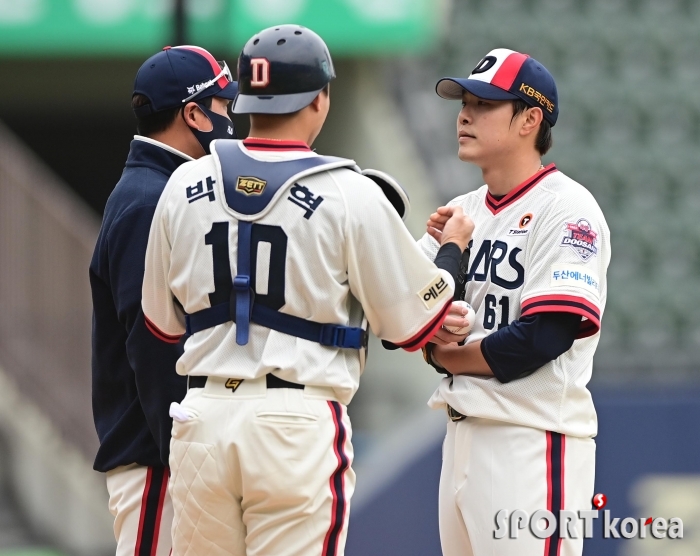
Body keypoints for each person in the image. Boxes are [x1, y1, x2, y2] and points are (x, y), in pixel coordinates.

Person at [141, 25, 473, 556]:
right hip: (294, 422)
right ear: (318, 100)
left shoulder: (184, 183)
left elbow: (161, 322)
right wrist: (451, 248)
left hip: (202, 416)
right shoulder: (351, 191)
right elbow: (418, 324)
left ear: (246, 98)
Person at [419, 48, 611, 556]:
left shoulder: (567, 208)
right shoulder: (459, 213)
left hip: (530, 439)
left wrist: (446, 356)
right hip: (460, 435)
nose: (464, 114)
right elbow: (407, 318)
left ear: (530, 118)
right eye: (464, 101)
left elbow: (541, 337)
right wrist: (451, 253)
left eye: (484, 103)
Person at [90, 45, 237, 556]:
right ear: (193, 114)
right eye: (223, 106)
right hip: (157, 459)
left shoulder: (163, 189)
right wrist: (182, 451)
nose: (231, 120)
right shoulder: (149, 198)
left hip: (166, 452)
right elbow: (151, 341)